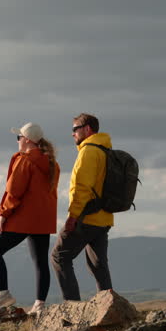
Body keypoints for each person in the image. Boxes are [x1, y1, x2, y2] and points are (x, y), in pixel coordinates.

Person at [0, 122, 60, 315]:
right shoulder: (52, 163)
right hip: (42, 219)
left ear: (26, 140)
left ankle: (3, 294)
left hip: (23, 218)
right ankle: (39, 305)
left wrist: (3, 214)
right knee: (40, 261)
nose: (17, 141)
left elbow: (14, 192)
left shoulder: (24, 161)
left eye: (19, 137)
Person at [51, 113, 114, 300]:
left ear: (87, 129)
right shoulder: (106, 151)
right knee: (98, 264)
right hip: (104, 217)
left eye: (74, 129)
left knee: (59, 257)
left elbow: (81, 188)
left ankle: (73, 308)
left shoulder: (88, 151)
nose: (72, 134)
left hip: (86, 217)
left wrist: (73, 216)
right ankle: (109, 305)